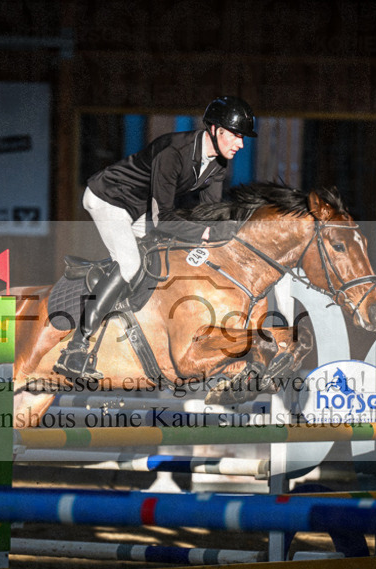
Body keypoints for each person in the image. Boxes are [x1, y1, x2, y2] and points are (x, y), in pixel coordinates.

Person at [54, 96, 258, 379]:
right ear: (216, 130)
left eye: (242, 137)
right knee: (129, 264)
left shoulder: (218, 165)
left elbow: (207, 214)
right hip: (109, 198)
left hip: (139, 210)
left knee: (161, 254)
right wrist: (207, 232)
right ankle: (76, 348)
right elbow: (164, 219)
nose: (241, 144)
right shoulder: (173, 151)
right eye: (236, 135)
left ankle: (119, 308)